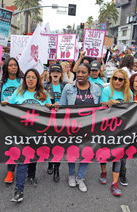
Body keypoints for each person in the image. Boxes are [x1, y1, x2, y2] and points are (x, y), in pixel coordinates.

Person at [7, 69, 52, 203]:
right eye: (28, 77)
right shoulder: (19, 92)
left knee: (34, 156)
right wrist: (4, 104)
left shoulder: (43, 94)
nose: (30, 79)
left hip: (37, 133)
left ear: (38, 80)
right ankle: (19, 190)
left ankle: (31, 175)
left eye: (33, 77)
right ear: (25, 79)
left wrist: (51, 106)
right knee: (23, 160)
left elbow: (50, 112)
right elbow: (10, 106)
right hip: (21, 132)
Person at [58, 63, 102, 193]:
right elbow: (62, 106)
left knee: (87, 152)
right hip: (72, 127)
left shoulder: (96, 89)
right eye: (78, 72)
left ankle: (80, 177)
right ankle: (71, 175)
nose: (80, 75)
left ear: (89, 74)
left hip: (89, 128)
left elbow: (100, 109)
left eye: (83, 72)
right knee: (72, 152)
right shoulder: (68, 88)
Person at [99, 69, 132, 196]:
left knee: (118, 153)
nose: (117, 81)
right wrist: (108, 103)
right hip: (106, 126)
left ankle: (114, 183)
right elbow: (102, 107)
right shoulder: (107, 91)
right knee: (104, 151)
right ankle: (103, 172)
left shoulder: (128, 93)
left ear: (125, 81)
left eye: (120, 79)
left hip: (121, 128)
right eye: (115, 78)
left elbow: (131, 111)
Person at [0, 58, 23, 183]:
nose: (13, 67)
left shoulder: (22, 81)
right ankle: (10, 170)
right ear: (6, 68)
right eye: (10, 65)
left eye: (15, 65)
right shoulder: (0, 82)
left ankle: (23, 167)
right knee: (11, 144)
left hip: (20, 117)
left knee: (21, 143)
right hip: (6, 117)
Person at [43, 64, 67, 182]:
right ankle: (50, 163)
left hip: (62, 120)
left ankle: (56, 168)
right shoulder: (44, 86)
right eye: (53, 71)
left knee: (58, 145)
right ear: (50, 73)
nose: (55, 73)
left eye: (58, 71)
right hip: (48, 119)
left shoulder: (66, 86)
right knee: (49, 143)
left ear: (61, 74)